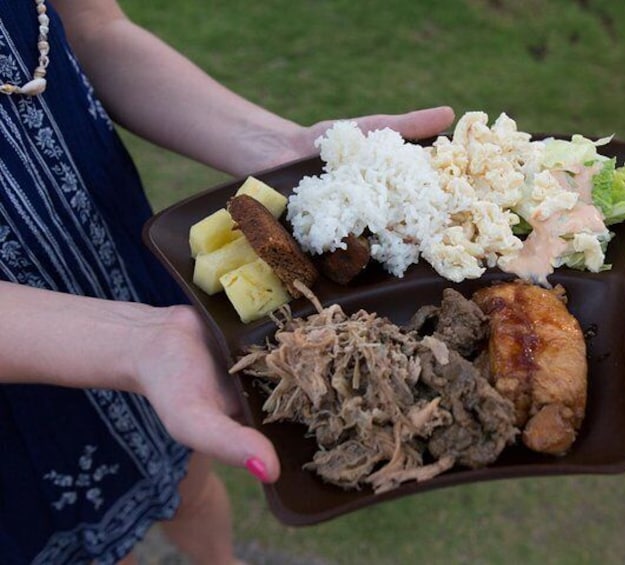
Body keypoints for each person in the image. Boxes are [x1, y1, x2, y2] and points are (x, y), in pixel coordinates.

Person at [0, 1, 455, 563]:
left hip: (109, 252)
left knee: (188, 482)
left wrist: (279, 151)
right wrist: (131, 342)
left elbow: (94, 29)